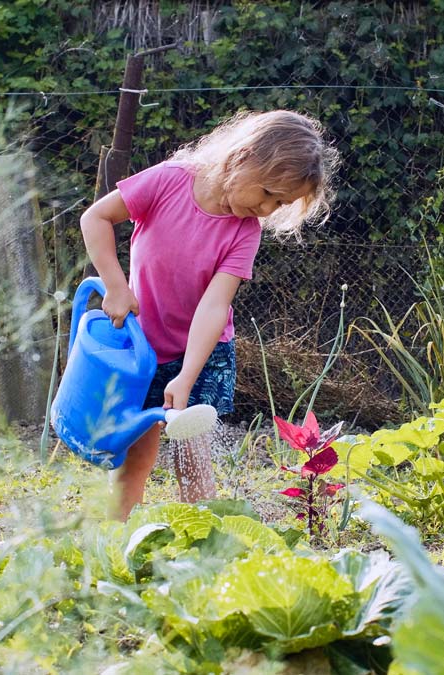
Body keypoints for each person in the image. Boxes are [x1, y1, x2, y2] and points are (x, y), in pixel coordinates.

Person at [79, 109, 339, 520]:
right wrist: (115, 284)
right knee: (137, 460)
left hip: (202, 355)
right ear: (244, 158)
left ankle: (201, 547)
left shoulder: (244, 232)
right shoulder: (168, 181)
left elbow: (214, 306)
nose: (269, 209)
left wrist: (187, 375)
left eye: (281, 203)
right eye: (269, 193)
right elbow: (95, 217)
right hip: (142, 351)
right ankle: (116, 542)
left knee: (193, 462)